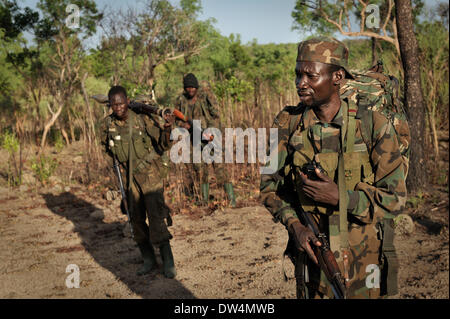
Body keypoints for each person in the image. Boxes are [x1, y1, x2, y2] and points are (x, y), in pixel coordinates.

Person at [260, 37, 407, 299]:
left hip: (363, 264)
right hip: (312, 264)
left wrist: (341, 198)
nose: (300, 83)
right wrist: (295, 226)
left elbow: (395, 199)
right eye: (297, 75)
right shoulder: (287, 124)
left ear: (337, 76)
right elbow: (269, 187)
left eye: (310, 75)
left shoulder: (373, 125)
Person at [100, 85, 177, 278]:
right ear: (110, 105)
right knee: (135, 220)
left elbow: (164, 143)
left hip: (150, 175)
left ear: (127, 102)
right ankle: (148, 259)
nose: (118, 108)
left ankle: (168, 260)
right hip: (129, 179)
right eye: (113, 104)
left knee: (156, 217)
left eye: (121, 103)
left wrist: (168, 129)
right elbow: (106, 148)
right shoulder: (108, 125)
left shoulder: (142, 119)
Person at [175, 73, 236, 207]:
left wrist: (211, 133)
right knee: (200, 168)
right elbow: (175, 118)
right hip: (194, 138)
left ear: (196, 87)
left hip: (209, 135)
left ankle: (231, 199)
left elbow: (216, 114)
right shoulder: (181, 100)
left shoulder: (205, 97)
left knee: (219, 166)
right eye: (187, 88)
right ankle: (203, 199)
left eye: (192, 87)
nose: (190, 90)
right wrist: (183, 125)